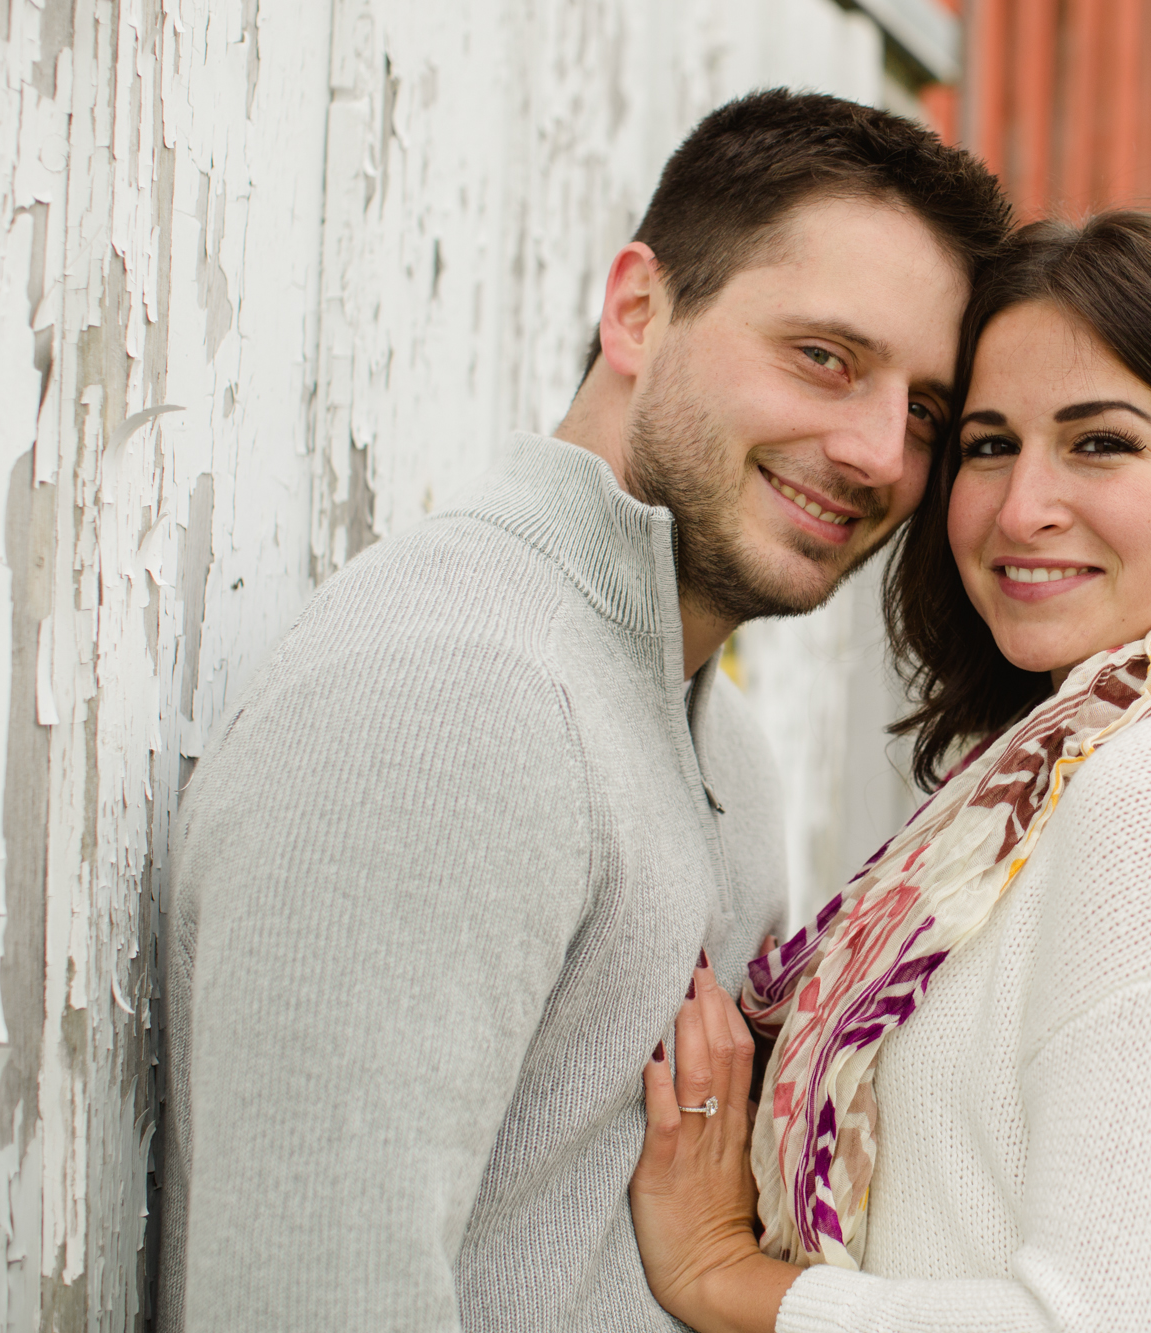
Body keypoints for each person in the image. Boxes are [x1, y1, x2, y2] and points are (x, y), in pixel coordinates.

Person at [160, 90, 1011, 1332]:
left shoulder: (718, 740)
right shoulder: (451, 700)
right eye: (823, 358)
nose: (880, 453)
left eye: (925, 413)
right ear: (635, 311)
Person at [626, 211, 1151, 1332]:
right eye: (985, 444)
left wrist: (727, 1277)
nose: (1022, 509)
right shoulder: (1050, 775)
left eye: (1099, 442)